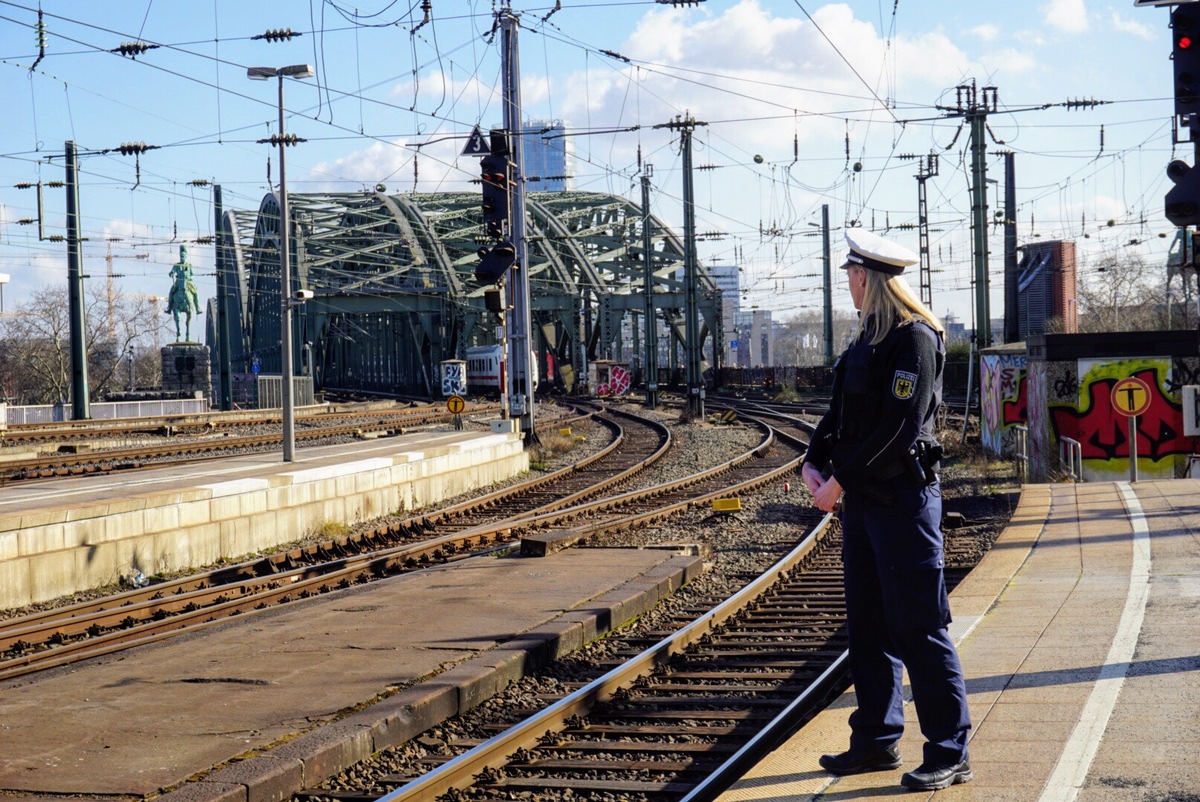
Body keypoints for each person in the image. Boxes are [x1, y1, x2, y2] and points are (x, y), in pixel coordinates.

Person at [801, 228, 972, 792]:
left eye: (852, 275)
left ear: (870, 279)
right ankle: (875, 742)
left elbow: (900, 430)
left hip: (903, 504)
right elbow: (839, 414)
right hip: (866, 510)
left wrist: (840, 481)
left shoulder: (914, 341)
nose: (847, 283)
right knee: (869, 629)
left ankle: (950, 750)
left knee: (920, 628)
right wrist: (813, 459)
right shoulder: (866, 341)